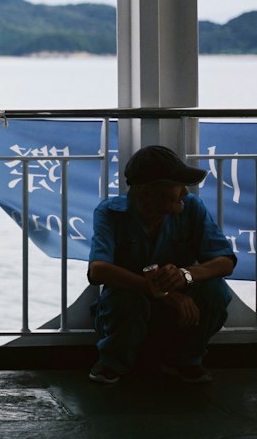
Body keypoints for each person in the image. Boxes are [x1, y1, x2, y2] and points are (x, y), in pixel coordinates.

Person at [87, 144, 236, 384]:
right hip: (132, 305)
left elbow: (225, 262)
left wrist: (186, 274)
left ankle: (187, 361)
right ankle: (113, 361)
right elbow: (98, 270)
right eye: (178, 186)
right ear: (147, 193)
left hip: (180, 311)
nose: (185, 193)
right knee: (124, 300)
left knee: (215, 291)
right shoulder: (110, 212)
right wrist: (160, 292)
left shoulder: (192, 209)